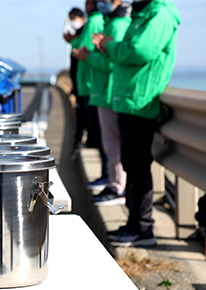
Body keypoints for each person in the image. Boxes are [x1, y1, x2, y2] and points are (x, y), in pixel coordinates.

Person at [94, 0, 180, 246]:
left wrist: (110, 45)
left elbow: (140, 50)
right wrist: (116, 47)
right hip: (130, 100)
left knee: (138, 166)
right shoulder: (144, 14)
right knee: (132, 164)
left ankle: (142, 228)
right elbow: (131, 48)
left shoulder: (160, 14)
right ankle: (134, 224)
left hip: (140, 101)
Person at [73, 0, 131, 206]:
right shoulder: (110, 23)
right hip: (103, 91)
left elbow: (112, 62)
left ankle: (116, 186)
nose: (98, 3)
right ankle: (114, 183)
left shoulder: (115, 25)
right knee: (109, 144)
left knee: (112, 145)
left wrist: (88, 57)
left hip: (107, 91)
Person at [71, 0, 108, 190]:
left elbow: (82, 49)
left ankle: (108, 175)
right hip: (91, 84)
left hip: (91, 85)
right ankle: (107, 176)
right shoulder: (97, 21)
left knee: (101, 134)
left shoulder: (94, 22)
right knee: (99, 133)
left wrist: (75, 44)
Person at [63, 7, 87, 160]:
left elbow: (82, 52)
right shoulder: (81, 32)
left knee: (83, 116)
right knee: (83, 116)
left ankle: (78, 144)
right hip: (80, 82)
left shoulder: (88, 29)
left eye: (74, 18)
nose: (73, 22)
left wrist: (73, 41)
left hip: (85, 84)